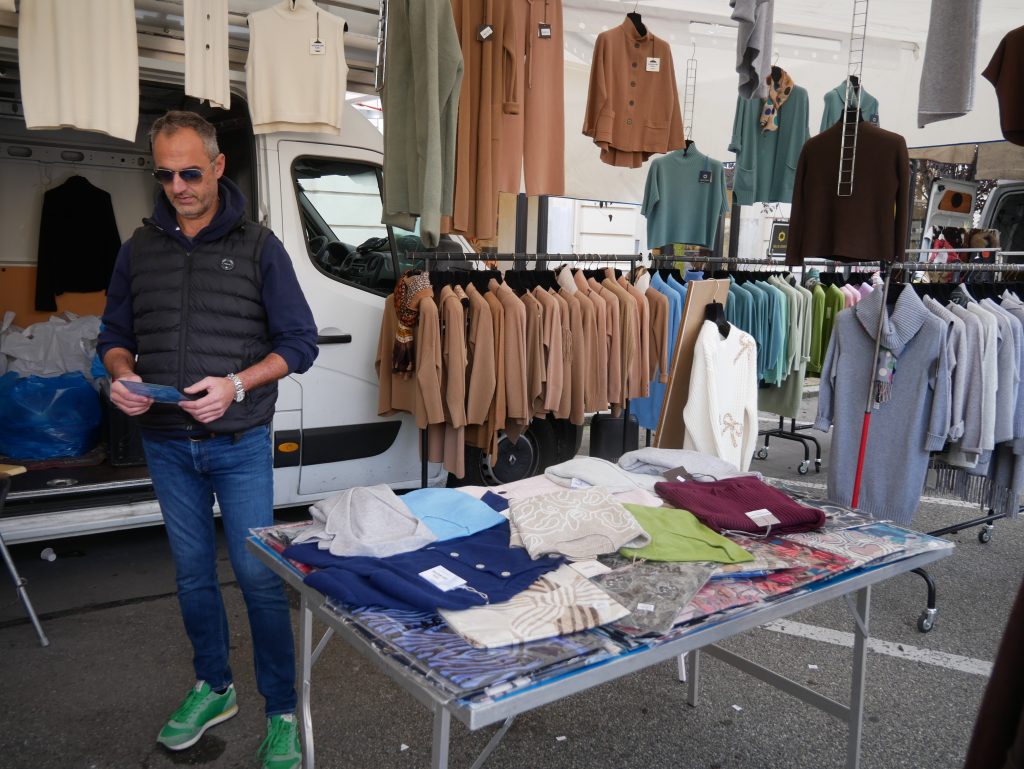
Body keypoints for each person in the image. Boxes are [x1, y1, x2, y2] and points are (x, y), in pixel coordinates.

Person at [98, 110, 318, 769]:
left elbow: (299, 344)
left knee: (257, 576)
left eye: (191, 173)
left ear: (219, 167)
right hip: (166, 441)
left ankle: (282, 711)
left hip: (238, 441)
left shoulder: (259, 247)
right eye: (166, 175)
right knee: (193, 575)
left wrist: (236, 385)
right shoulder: (138, 249)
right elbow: (114, 336)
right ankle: (214, 686)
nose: (178, 187)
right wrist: (121, 375)